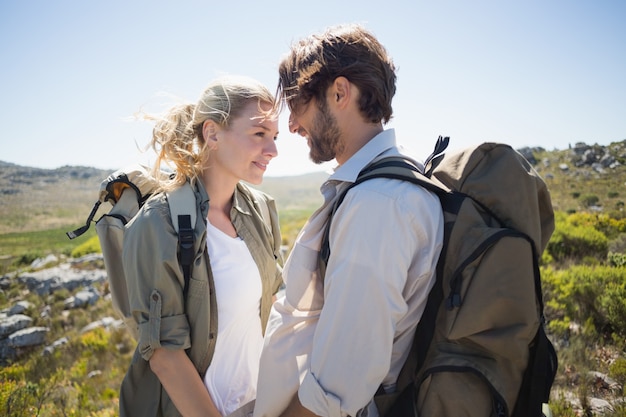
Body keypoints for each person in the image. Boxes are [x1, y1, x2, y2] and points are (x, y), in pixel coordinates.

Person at [253, 24, 444, 417]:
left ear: (340, 92)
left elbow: (336, 392)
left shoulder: (377, 205)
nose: (291, 125)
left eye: (297, 104)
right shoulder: (382, 185)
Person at [119, 75, 283, 417]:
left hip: (258, 405)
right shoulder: (158, 222)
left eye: (274, 137)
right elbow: (165, 356)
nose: (273, 150)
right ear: (212, 134)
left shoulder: (262, 210)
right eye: (259, 134)